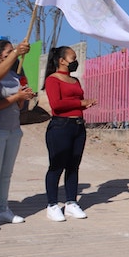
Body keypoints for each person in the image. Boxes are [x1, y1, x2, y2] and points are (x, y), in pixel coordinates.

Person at [0, 39, 35, 231]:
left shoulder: (15, 76)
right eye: (9, 52)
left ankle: (2, 208)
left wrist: (23, 97)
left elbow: (18, 106)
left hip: (13, 129)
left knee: (6, 173)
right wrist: (16, 97)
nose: (13, 54)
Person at [43, 46, 97, 222]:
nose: (75, 61)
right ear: (62, 60)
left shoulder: (75, 81)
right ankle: (52, 204)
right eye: (72, 58)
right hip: (61, 126)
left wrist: (84, 104)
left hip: (78, 126)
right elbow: (56, 105)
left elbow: (75, 102)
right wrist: (80, 103)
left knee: (73, 165)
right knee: (57, 165)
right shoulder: (52, 80)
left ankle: (71, 202)